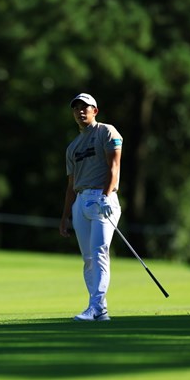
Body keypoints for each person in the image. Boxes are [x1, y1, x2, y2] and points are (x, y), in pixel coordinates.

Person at [59, 93, 123, 322]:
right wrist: (65, 216)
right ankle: (100, 308)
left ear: (95, 110)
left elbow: (114, 167)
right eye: (76, 108)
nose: (80, 111)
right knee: (88, 258)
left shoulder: (107, 132)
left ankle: (94, 308)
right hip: (81, 202)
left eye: (85, 107)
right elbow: (70, 185)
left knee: (99, 253)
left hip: (103, 201)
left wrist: (106, 196)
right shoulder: (72, 147)